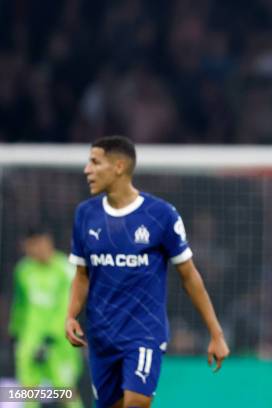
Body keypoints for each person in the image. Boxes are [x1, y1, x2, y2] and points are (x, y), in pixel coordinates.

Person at [65, 136, 229, 408]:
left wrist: (216, 333)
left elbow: (189, 275)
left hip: (143, 333)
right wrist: (71, 315)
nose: (87, 170)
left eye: (95, 162)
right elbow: (82, 275)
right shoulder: (85, 214)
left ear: (118, 167)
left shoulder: (161, 215)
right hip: (102, 335)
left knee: (137, 404)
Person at [10, 227, 84, 408]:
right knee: (29, 391)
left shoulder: (64, 269)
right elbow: (20, 304)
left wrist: (50, 337)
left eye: (36, 246)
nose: (34, 251)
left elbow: (67, 307)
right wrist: (16, 332)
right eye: (28, 248)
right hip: (30, 341)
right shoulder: (23, 270)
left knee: (65, 391)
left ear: (47, 242)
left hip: (59, 343)